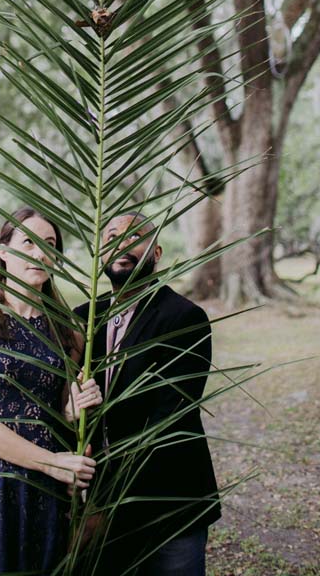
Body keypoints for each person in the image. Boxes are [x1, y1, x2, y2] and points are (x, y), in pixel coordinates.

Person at [0, 207, 100, 576]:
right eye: (30, 241)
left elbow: (62, 413)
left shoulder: (68, 332)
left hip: (50, 487)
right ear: (4, 251)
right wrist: (52, 462)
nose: (41, 253)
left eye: (51, 245)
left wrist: (74, 410)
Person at [73, 212, 221, 576]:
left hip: (169, 503)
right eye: (110, 238)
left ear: (155, 253)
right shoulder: (81, 320)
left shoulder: (185, 318)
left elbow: (168, 420)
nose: (120, 246)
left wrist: (102, 505)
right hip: (99, 503)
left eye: (133, 237)